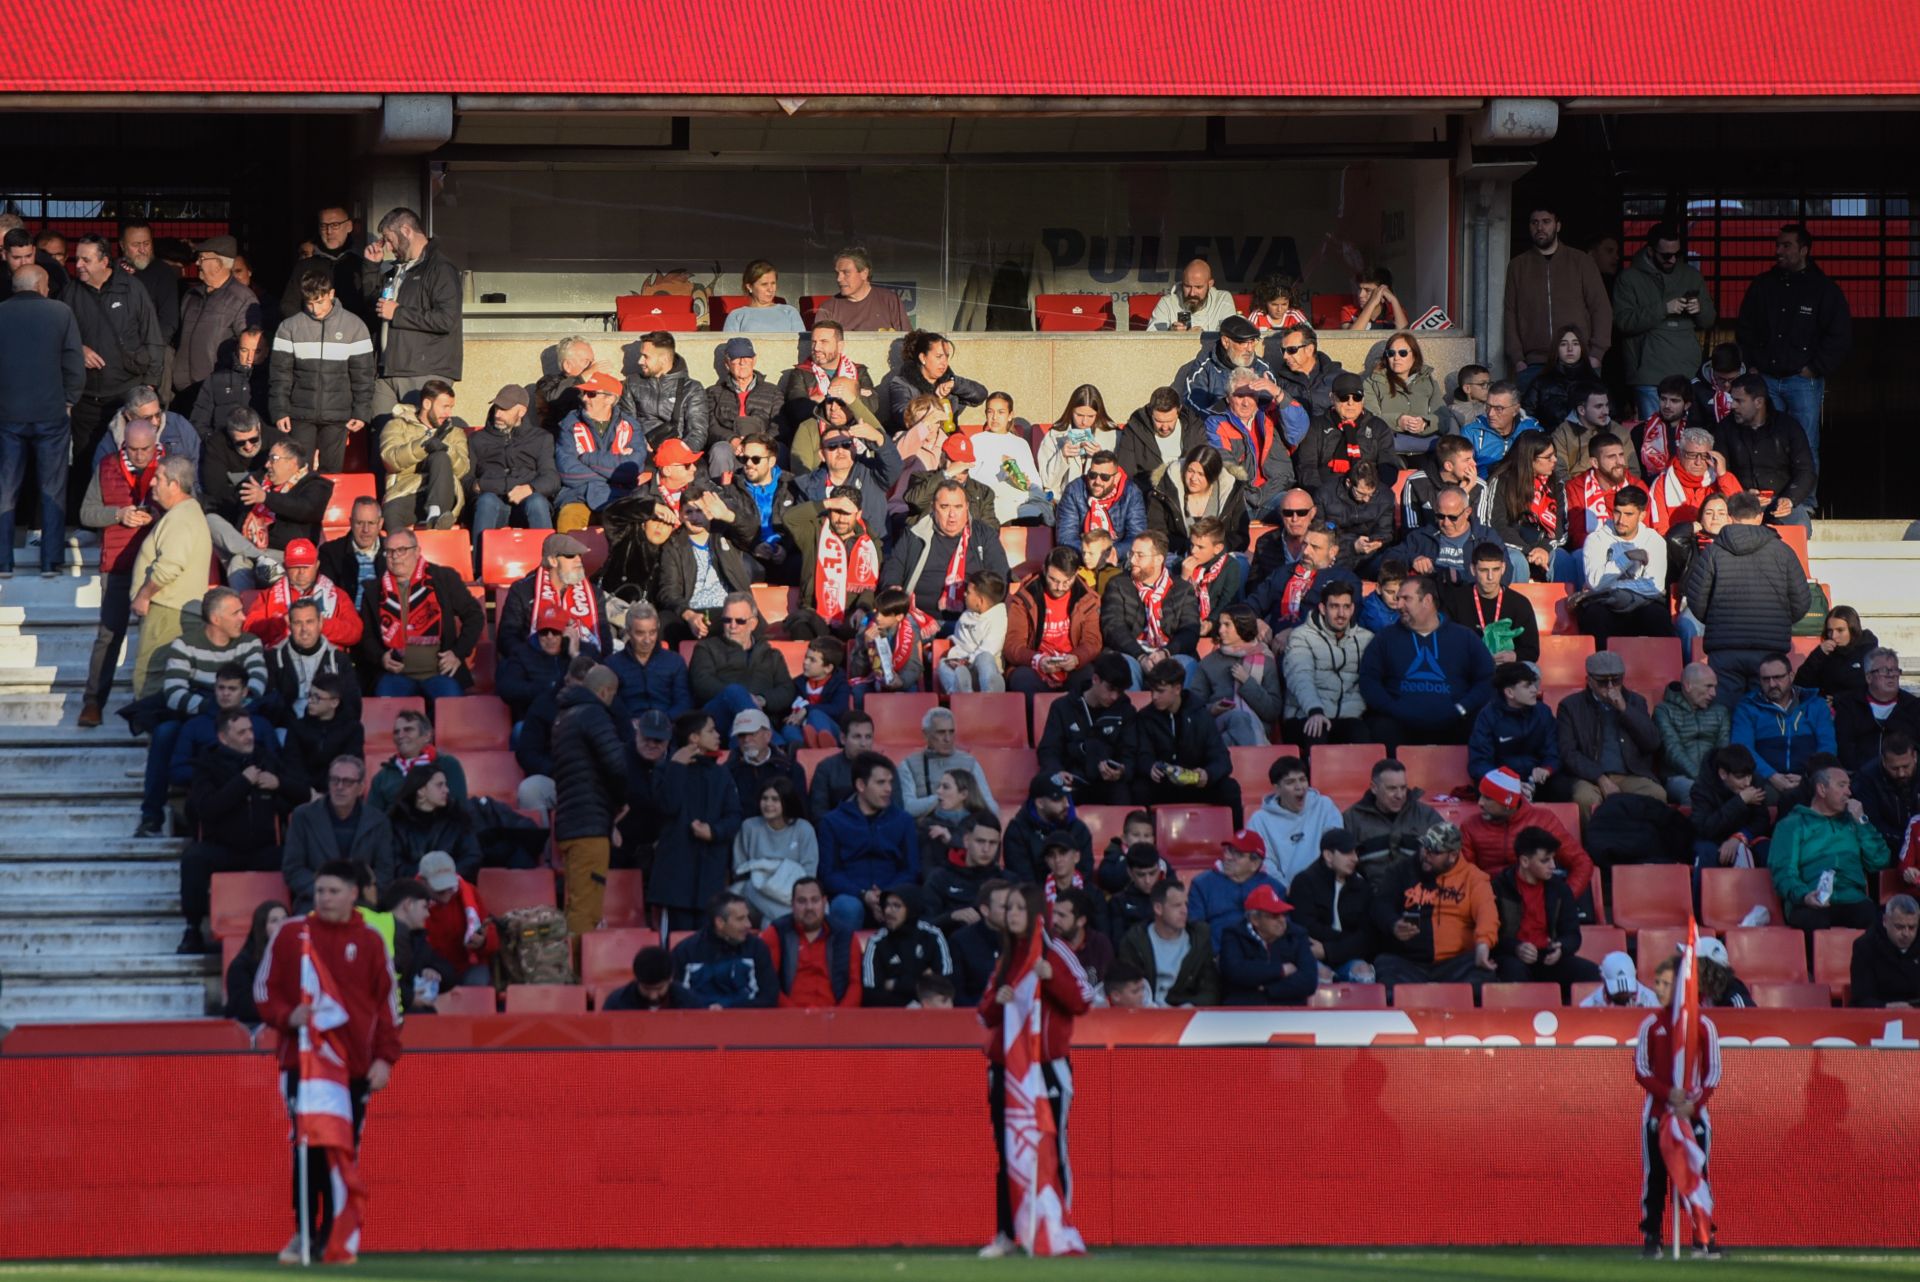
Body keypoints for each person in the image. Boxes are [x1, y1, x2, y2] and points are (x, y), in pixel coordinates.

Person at [254, 859, 400, 1268]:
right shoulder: (290, 935)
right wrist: (288, 1016)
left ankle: (334, 1235)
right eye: (320, 891)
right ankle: (304, 1232)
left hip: (353, 1068)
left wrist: (385, 1060)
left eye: (334, 891)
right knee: (307, 1145)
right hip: (304, 1064)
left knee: (343, 1151)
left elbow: (388, 1008)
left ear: (354, 894)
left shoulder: (371, 941)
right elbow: (264, 990)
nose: (325, 898)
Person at [977, 882, 1093, 1261]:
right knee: (1009, 1150)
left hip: (1047, 1069)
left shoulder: (1054, 951)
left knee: (1052, 1147)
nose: (1011, 915)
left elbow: (1082, 1001)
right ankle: (1008, 1233)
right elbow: (985, 1013)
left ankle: (1057, 1228)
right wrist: (1000, 999)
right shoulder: (1005, 957)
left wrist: (1050, 977)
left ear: (1034, 912)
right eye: (1007, 908)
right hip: (1008, 1071)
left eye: (1017, 908)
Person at [178, 707, 301, 953]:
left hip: (264, 848)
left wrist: (279, 785)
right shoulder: (207, 765)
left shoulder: (266, 758)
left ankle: (298, 925)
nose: (250, 736)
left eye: (250, 730)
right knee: (193, 859)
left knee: (298, 858)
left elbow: (297, 794)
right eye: (242, 732)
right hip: (223, 848)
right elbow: (206, 809)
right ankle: (193, 929)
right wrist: (242, 782)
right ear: (224, 737)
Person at [1735, 222, 1851, 475]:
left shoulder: (1823, 289)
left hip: (1802, 381)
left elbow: (1839, 334)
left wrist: (1815, 368)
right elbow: (1745, 327)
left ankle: (1805, 504)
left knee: (1805, 443)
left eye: (1786, 245)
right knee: (1764, 441)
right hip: (1765, 378)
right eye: (1778, 245)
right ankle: (1770, 502)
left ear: (1804, 250)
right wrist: (1752, 364)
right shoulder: (1763, 285)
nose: (1779, 251)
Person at [1632, 954, 1722, 1260]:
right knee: (1655, 1176)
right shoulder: (1651, 1025)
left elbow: (1713, 1073)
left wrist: (1692, 1104)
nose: (1659, 989)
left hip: (1693, 1116)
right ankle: (1652, 1237)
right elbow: (1642, 1070)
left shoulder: (1703, 1026)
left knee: (1697, 1174)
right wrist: (1668, 1094)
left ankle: (1703, 1236)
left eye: (1666, 984)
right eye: (1657, 983)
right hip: (1657, 1115)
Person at [1682, 491, 1809, 708]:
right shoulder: (1783, 551)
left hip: (1725, 651)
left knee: (1727, 718)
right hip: (1770, 649)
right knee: (1767, 717)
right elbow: (1802, 601)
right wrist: (1779, 621)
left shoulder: (1713, 552)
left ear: (1730, 517)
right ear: (1760, 516)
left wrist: (1715, 620)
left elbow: (1696, 599)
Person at [67, 234, 165, 509]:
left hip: (126, 395)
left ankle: (132, 515)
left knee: (129, 460)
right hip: (86, 397)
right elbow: (58, 338)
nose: (80, 265)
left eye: (86, 259)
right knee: (84, 462)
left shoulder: (132, 289)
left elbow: (153, 337)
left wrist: (151, 386)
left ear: (104, 261)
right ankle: (86, 520)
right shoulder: (70, 293)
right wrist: (78, 349)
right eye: (77, 259)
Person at [0, 264, 84, 576]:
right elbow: (74, 362)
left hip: (7, 415)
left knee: (5, 489)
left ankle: (2, 561)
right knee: (52, 488)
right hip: (51, 414)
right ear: (40, 285)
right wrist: (70, 399)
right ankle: (50, 561)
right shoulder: (60, 313)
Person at [1358, 574, 1494, 748]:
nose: (1399, 605)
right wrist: (1393, 709)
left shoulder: (1464, 637)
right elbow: (1368, 680)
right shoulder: (1385, 637)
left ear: (1427, 600)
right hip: (1400, 724)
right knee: (1380, 728)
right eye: (1398, 599)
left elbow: (1487, 678)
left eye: (1406, 599)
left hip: (1454, 724)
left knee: (1481, 727)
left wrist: (1462, 708)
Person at [1370, 822, 1501, 994]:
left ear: (1453, 855)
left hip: (1456, 963)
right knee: (1384, 967)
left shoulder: (1473, 877)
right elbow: (1381, 904)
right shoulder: (1401, 870)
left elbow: (1487, 912)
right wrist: (1393, 924)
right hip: (1407, 963)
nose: (1426, 855)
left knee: (1483, 976)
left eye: (1435, 852)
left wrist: (1483, 944)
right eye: (1425, 847)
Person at [646, 711, 747, 932]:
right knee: (676, 947)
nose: (718, 735)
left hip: (710, 876)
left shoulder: (722, 775)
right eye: (711, 730)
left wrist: (714, 831)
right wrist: (677, 767)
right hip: (675, 877)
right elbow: (667, 806)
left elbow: (734, 817)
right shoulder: (665, 769)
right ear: (694, 738)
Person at [124, 456, 213, 699]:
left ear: (174, 485)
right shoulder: (183, 514)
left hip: (168, 612)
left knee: (150, 679)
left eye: (159, 478)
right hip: (173, 610)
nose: (152, 482)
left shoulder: (181, 517)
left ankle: (152, 735)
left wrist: (144, 595)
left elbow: (170, 566)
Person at [549, 665, 628, 934]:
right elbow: (617, 765)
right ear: (605, 691)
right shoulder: (594, 714)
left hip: (571, 821)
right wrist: (624, 799)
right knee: (586, 908)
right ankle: (577, 972)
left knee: (576, 903)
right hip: (589, 824)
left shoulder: (564, 717)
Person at [359, 529, 483, 699]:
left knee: (451, 705)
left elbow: (475, 615)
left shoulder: (443, 579)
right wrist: (381, 657)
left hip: (439, 674)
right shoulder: (373, 591)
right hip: (395, 677)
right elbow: (366, 637)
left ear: (417, 551)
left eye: (402, 550)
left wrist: (457, 653)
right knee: (385, 700)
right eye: (389, 551)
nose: (395, 556)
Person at [360, 207, 463, 409]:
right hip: (387, 369)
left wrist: (398, 313)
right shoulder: (396, 271)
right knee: (383, 436)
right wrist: (371, 268)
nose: (388, 247)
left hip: (423, 371)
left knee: (417, 437)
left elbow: (446, 319)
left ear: (406, 230)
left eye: (390, 239)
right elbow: (375, 308)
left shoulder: (440, 268)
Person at [1769, 763, 1890, 931]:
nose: (1849, 792)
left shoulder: (1855, 822)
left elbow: (1880, 861)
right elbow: (1783, 871)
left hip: (1852, 899)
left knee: (1874, 919)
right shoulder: (1792, 825)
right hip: (1810, 899)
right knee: (1813, 920)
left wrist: (1862, 820)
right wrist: (1804, 896)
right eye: (1841, 785)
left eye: (1848, 786)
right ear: (1822, 789)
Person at [1549, 650, 1667, 822]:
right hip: (1589, 777)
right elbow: (1568, 752)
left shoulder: (1635, 702)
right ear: (1589, 681)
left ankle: (1643, 845)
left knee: (1656, 794)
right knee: (1585, 799)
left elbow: (1652, 742)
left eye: (1617, 680)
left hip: (1630, 773)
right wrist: (1599, 777)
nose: (1611, 687)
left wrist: (1625, 710)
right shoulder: (1570, 706)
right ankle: (1594, 846)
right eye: (1603, 682)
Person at [1614, 223, 1718, 420]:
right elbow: (1623, 322)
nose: (1672, 259)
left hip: (1687, 370)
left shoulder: (1691, 275)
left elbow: (1709, 320)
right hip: (1648, 374)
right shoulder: (1629, 278)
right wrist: (1664, 309)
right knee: (1653, 435)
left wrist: (1700, 310)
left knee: (1689, 435)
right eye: (1666, 255)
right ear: (1651, 251)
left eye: (1676, 254)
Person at [1504, 205, 1612, 385]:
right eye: (1534, 222)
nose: (1540, 227)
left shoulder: (1581, 261)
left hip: (1579, 361)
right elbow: (1510, 312)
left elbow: (1600, 308)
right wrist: (1517, 359)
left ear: (1558, 226)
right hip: (1533, 363)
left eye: (1546, 222)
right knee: (1533, 413)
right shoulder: (1518, 265)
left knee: (1580, 412)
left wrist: (1596, 354)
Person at [882, 479, 1009, 631]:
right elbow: (894, 565)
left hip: (971, 623)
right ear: (933, 508)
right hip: (917, 618)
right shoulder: (915, 533)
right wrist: (892, 589)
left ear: (967, 507)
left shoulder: (983, 535)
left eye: (958, 507)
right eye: (944, 507)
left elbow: (1000, 576)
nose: (952, 515)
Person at [1489, 827, 1602, 992]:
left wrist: (1561, 948)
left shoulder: (1560, 889)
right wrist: (1516, 948)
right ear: (1525, 861)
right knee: (1513, 972)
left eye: (1553, 859)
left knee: (1592, 974)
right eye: (1545, 860)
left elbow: (1572, 934)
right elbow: (1491, 936)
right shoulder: (1499, 888)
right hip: (1511, 957)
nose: (1553, 865)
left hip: (1548, 957)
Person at [815, 751, 916, 931]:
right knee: (847, 907)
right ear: (861, 785)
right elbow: (828, 873)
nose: (889, 789)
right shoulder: (832, 821)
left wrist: (886, 895)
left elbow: (911, 869)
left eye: (890, 782)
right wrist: (864, 895)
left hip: (894, 893)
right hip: (852, 896)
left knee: (910, 903)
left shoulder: (904, 820)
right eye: (881, 783)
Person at [282, 756, 395, 912]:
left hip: (362, 904)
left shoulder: (378, 821)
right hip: (315, 903)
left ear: (361, 788)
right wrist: (328, 892)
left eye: (347, 782)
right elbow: (293, 869)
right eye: (335, 780)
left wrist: (356, 896)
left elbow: (385, 872)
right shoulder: (303, 816)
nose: (339, 786)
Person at [1136, 659, 1242, 824]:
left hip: (1196, 784)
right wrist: (1150, 767)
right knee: (1138, 789)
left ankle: (1237, 841)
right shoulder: (1145, 717)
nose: (1154, 697)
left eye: (1160, 691)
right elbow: (1142, 754)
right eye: (1152, 691)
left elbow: (1221, 758)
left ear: (1177, 689)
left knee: (1229, 788)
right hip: (1164, 785)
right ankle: (1142, 844)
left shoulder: (1200, 714)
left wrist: (1207, 774)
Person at [1731, 651, 1837, 806]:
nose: (1772, 684)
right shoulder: (1747, 707)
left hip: (1809, 778)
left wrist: (1809, 777)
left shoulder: (1816, 705)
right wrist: (1772, 776)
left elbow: (1827, 746)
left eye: (1778, 677)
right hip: (1766, 780)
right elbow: (1743, 748)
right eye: (1766, 679)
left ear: (1791, 676)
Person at [495, 532, 609, 675]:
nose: (578, 560)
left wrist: (581, 658)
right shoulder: (523, 590)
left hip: (582, 671)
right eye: (570, 556)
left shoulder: (594, 593)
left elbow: (605, 643)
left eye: (579, 555)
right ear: (552, 561)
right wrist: (535, 657)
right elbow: (507, 638)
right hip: (536, 669)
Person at [467, 384, 559, 563]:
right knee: (486, 501)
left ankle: (548, 566)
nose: (497, 414)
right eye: (496, 408)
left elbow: (551, 478)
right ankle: (478, 572)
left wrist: (530, 488)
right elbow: (468, 481)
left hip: (525, 505)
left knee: (537, 501)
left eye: (504, 409)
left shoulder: (541, 438)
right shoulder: (477, 440)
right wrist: (483, 486)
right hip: (492, 505)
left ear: (521, 411)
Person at [170, 237, 259, 413]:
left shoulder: (242, 299)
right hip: (182, 392)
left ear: (218, 264)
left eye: (202, 258)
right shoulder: (191, 296)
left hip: (214, 394)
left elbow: (250, 345)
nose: (197, 263)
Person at [1035, 652, 1138, 805]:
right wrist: (1057, 771)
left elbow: (1130, 752)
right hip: (1072, 779)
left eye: (1120, 691)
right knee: (1056, 797)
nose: (1115, 697)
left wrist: (1122, 771)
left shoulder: (1126, 711)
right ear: (1095, 679)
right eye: (1110, 689)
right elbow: (1049, 750)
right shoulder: (1062, 707)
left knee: (1124, 794)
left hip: (1109, 784)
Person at [1713, 373, 1815, 527]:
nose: (1732, 406)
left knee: (1800, 525)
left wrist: (1789, 499)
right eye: (1732, 400)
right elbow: (1720, 472)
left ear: (1759, 402)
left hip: (1780, 501)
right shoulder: (1725, 428)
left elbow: (1806, 470)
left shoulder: (1788, 427)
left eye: (1739, 401)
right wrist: (1742, 494)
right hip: (1739, 502)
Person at [1100, 530, 1200, 687]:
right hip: (1132, 653)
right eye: (1131, 554)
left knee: (1187, 664)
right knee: (1123, 665)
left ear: (1159, 559)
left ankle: (1185, 711)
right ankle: (1130, 710)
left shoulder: (1182, 588)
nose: (1133, 560)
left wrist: (1165, 653)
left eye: (1140, 555)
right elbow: (1113, 626)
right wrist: (1140, 656)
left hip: (1170, 653)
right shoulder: (1118, 584)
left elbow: (1190, 631)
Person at [1576, 485, 1672, 642]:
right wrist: (1626, 558)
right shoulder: (1596, 539)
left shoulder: (1654, 540)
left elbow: (1654, 587)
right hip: (1606, 606)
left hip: (1641, 606)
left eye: (1628, 514)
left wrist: (1613, 586)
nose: (1621, 520)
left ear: (1642, 515)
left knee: (1657, 616)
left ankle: (1665, 666)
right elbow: (1595, 583)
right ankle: (1601, 664)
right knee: (1595, 615)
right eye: (1617, 512)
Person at [1003, 546, 1103, 696]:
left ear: (1076, 574)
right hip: (1035, 664)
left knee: (1089, 678)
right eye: (1053, 580)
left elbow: (1092, 641)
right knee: (1022, 679)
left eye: (1066, 581)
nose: (1059, 587)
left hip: (1072, 664)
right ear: (1044, 570)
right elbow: (1013, 645)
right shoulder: (1025, 598)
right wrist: (1037, 660)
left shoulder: (1087, 599)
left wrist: (1076, 658)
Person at [1205, 370, 1302, 519]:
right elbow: (1224, 462)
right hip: (1240, 499)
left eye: (1251, 395)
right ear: (1228, 398)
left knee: (1298, 511)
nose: (1246, 402)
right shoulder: (1216, 422)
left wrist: (1277, 392)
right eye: (1239, 395)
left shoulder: (1270, 413)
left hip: (1274, 493)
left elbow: (1298, 430)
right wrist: (1248, 494)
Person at [554, 370, 645, 528]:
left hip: (619, 497)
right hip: (578, 495)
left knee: (625, 528)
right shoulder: (569, 423)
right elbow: (567, 471)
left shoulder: (631, 427)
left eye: (591, 394)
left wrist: (587, 458)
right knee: (568, 519)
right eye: (583, 393)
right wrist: (612, 475)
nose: (583, 398)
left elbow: (632, 470)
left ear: (609, 399)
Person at [1284, 829, 1376, 982]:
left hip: (1346, 956)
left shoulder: (1362, 887)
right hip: (1312, 955)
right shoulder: (1304, 882)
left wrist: (1329, 950)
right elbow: (1306, 928)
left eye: (1355, 853)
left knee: (1364, 974)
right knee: (1320, 976)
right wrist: (1345, 939)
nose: (1355, 859)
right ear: (1328, 855)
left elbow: (1367, 937)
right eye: (1347, 853)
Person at [377, 379, 468, 532]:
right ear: (427, 404)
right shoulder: (397, 425)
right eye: (445, 407)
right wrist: (423, 446)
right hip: (409, 491)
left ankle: (435, 515)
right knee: (390, 513)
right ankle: (395, 553)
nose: (449, 413)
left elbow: (463, 470)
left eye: (451, 408)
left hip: (445, 494)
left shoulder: (455, 433)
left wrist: (448, 450)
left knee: (440, 456)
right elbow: (390, 460)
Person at [1113, 880, 1219, 1007]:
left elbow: (1210, 990)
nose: (1184, 910)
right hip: (1145, 1014)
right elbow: (1128, 987)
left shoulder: (1199, 938)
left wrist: (1188, 1007)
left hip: (1185, 1014)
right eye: (1177, 905)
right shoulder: (1135, 941)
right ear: (1158, 908)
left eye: (1186, 904)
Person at [761, 877, 861, 1008]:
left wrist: (839, 1017)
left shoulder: (846, 936)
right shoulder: (776, 934)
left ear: (824, 902)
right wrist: (795, 1016)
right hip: (789, 1019)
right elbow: (768, 984)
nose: (809, 907)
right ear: (792, 904)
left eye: (815, 900)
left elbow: (855, 986)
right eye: (802, 901)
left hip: (835, 1019)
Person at [1245, 756, 1343, 890]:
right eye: (1290, 782)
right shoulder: (1259, 820)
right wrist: (1286, 889)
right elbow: (1264, 863)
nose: (1299, 787)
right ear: (1277, 789)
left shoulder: (1324, 805)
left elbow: (1336, 846)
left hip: (1326, 885)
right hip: (1283, 892)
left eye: (1302, 780)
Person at [731, 774, 820, 921]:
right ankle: (795, 920)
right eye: (764, 799)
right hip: (755, 897)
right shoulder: (749, 827)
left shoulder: (804, 829)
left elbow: (809, 874)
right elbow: (739, 869)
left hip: (791, 896)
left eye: (775, 799)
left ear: (787, 801)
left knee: (769, 924)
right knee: (750, 887)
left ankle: (787, 920)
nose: (768, 804)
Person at [1293, 371, 1399, 493]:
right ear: (1332, 398)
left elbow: (1388, 466)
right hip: (1327, 494)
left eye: (1356, 397)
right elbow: (1306, 467)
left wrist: (1371, 492)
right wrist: (1322, 495)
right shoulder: (1316, 426)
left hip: (1368, 494)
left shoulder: (1378, 427)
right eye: (1344, 397)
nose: (1350, 402)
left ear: (1363, 400)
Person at [1191, 603, 1281, 746]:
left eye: (1227, 625)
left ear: (1242, 626)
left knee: (1234, 733)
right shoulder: (1208, 663)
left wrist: (1247, 683)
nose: (1220, 630)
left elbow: (1272, 711)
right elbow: (1193, 707)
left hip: (1254, 730)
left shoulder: (1266, 661)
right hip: (1218, 724)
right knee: (1239, 719)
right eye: (1220, 625)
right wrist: (1212, 709)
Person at [1144, 444, 1250, 565]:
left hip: (1218, 556)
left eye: (1201, 474)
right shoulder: (1165, 491)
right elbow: (1157, 533)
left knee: (1241, 564)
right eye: (1190, 471)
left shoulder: (1231, 493)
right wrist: (1188, 547)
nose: (1193, 478)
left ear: (1212, 476)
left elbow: (1240, 536)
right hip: (1177, 554)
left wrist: (1212, 550)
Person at [669, 892, 777, 1009]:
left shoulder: (757, 948)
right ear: (720, 923)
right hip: (696, 1022)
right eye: (740, 919)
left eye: (747, 917)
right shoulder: (685, 951)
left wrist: (727, 1008)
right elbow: (673, 996)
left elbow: (769, 997)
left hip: (747, 1022)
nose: (748, 924)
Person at [1343, 757, 1445, 879]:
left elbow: (1448, 859)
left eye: (1403, 788)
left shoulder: (1427, 816)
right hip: (1371, 894)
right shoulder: (1352, 819)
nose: (1400, 795)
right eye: (1392, 788)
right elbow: (1341, 866)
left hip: (1419, 894)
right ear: (1374, 788)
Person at [1217, 884, 1318, 1005]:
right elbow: (1235, 972)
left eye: (1283, 914)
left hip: (1289, 1009)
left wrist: (1268, 988)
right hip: (1245, 1011)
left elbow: (1309, 981)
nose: (1282, 920)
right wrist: (1281, 970)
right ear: (1255, 920)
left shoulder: (1297, 934)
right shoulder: (1233, 935)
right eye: (1274, 916)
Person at [1443, 542, 1540, 665]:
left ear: (1503, 568)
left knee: (1532, 669)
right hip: (1468, 666)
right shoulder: (1455, 599)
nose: (1490, 577)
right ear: (1473, 570)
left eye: (1495, 570)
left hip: (1506, 668)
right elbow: (1444, 641)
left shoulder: (1520, 603)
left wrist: (1514, 655)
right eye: (1483, 570)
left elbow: (1532, 651)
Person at [897, 705, 1000, 819]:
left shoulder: (970, 763)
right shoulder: (909, 765)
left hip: (965, 829)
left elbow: (991, 807)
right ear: (926, 734)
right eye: (941, 732)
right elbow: (906, 807)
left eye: (951, 732)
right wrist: (943, 797)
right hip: (927, 830)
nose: (948, 738)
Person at [1468, 661, 1559, 790]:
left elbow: (1553, 751)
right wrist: (1508, 783)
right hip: (1502, 785)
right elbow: (1479, 763)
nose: (1535, 690)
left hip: (1540, 782)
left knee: (1567, 790)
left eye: (1534, 684)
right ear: (1509, 693)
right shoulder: (1487, 717)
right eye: (1527, 686)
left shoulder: (1543, 712)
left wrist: (1546, 769)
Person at [1187, 830, 1287, 947]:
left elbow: (1283, 928)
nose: (1227, 857)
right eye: (1228, 850)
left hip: (1263, 955)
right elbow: (1195, 928)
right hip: (1218, 955)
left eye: (1238, 854)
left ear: (1255, 864)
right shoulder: (1202, 884)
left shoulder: (1274, 888)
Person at [1689, 744, 1772, 882]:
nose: (1747, 783)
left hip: (1745, 836)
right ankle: (1702, 902)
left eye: (1749, 776)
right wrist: (1739, 802)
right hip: (1712, 839)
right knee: (1705, 853)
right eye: (1740, 777)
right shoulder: (1701, 789)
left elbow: (1762, 821)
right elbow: (1704, 828)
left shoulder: (1754, 782)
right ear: (1723, 774)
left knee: (1769, 851)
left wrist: (1739, 837)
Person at [1644, 425, 1743, 536]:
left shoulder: (1720, 478)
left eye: (1705, 456)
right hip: (1679, 547)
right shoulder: (1662, 483)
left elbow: (1741, 516)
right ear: (1680, 454)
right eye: (1692, 455)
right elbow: (1659, 530)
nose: (1698, 462)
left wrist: (1723, 475)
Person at [1833, 648, 1920, 771]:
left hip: (1905, 777)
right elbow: (1845, 748)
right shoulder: (1848, 706)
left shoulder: (1914, 706)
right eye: (1884, 670)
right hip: (1860, 778)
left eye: (1895, 670)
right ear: (1868, 677)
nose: (1891, 675)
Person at [1408, 488, 1510, 592]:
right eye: (1440, 516)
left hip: (1471, 596)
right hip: (1431, 597)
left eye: (1453, 518)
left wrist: (1460, 577)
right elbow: (1393, 556)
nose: (1446, 523)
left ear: (1467, 512)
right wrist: (1413, 558)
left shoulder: (1486, 537)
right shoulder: (1423, 535)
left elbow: (1505, 571)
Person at [1656, 662, 1731, 802]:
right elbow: (1672, 750)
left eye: (1715, 687)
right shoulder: (1664, 710)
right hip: (1678, 777)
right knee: (1695, 793)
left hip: (1715, 777)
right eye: (1708, 686)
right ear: (1688, 686)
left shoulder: (1720, 711)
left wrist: (1715, 777)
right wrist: (1700, 777)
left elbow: (1723, 749)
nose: (1714, 693)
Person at [1364, 331, 1446, 455]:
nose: (1396, 358)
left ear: (1414, 355)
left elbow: (1443, 417)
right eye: (1391, 353)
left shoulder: (1428, 381)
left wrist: (1425, 422)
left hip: (1426, 448)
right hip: (1388, 448)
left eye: (1402, 353)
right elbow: (1369, 417)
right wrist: (1398, 421)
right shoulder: (1373, 382)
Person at [1056, 448, 1146, 559]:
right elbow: (1066, 537)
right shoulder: (1074, 490)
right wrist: (1090, 553)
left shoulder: (1131, 493)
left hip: (1119, 560)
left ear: (1116, 478)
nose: (1097, 482)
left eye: (1105, 477)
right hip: (1083, 557)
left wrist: (1115, 552)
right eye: (1093, 475)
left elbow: (1137, 536)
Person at [941, 570, 1009, 695]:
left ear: (980, 601)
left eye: (969, 592)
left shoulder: (998, 618)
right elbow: (958, 640)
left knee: (985, 658)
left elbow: (989, 648)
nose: (965, 594)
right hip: (962, 669)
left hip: (982, 672)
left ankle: (991, 691)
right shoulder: (966, 615)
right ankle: (960, 691)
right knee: (942, 665)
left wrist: (968, 661)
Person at [224, 898, 289, 1027]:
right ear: (261, 927)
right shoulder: (241, 965)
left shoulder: (299, 958)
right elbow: (244, 1008)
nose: (282, 925)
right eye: (274, 921)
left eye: (285, 919)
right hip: (253, 1028)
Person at [1852, 730, 1919, 852]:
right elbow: (1873, 822)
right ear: (1883, 761)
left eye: (1906, 766)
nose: (1901, 773)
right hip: (1888, 845)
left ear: (1915, 756)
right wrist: (1908, 842)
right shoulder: (1868, 778)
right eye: (1894, 768)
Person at [813, 247, 908, 332]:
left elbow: (907, 340)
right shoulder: (828, 308)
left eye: (846, 273)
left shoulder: (890, 300)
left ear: (864, 273)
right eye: (837, 273)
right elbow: (820, 346)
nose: (838, 279)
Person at [1849, 895, 1920, 1009]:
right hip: (1878, 1016)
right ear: (1885, 921)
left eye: (1912, 927)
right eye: (1899, 927)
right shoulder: (1865, 947)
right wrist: (1887, 1007)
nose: (1906, 934)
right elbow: (1860, 999)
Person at [1794, 606, 1877, 702]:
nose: (1833, 636)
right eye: (1830, 631)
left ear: (1852, 629)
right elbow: (1800, 686)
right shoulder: (1824, 654)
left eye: (1840, 630)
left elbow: (1871, 688)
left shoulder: (1868, 651)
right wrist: (1817, 654)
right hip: (1826, 712)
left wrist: (1839, 699)